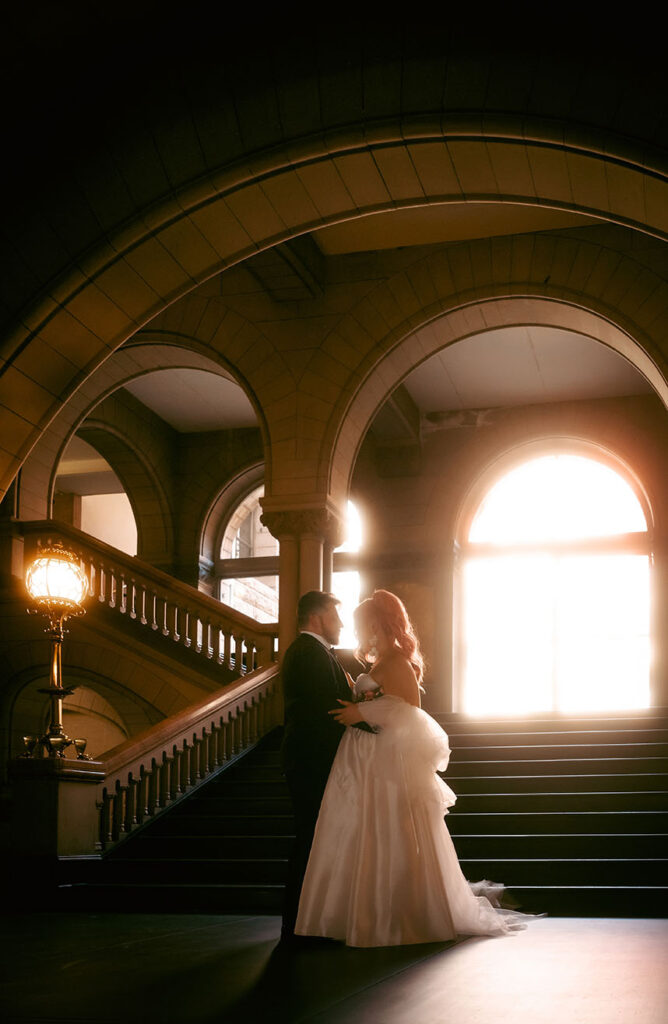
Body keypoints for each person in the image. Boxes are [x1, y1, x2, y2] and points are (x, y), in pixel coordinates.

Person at [295, 589, 532, 947]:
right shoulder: (380, 663)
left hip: (386, 762)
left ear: (376, 624)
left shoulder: (398, 663)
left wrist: (364, 711)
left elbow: (413, 716)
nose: (356, 631)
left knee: (391, 833)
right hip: (365, 760)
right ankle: (363, 913)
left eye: (361, 625)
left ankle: (396, 915)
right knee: (366, 833)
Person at [279, 590, 355, 942]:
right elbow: (329, 709)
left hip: (314, 758)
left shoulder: (317, 652)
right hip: (311, 760)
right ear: (318, 617)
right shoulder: (308, 653)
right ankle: (297, 926)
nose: (340, 625)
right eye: (336, 617)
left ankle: (309, 923)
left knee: (316, 838)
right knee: (310, 838)